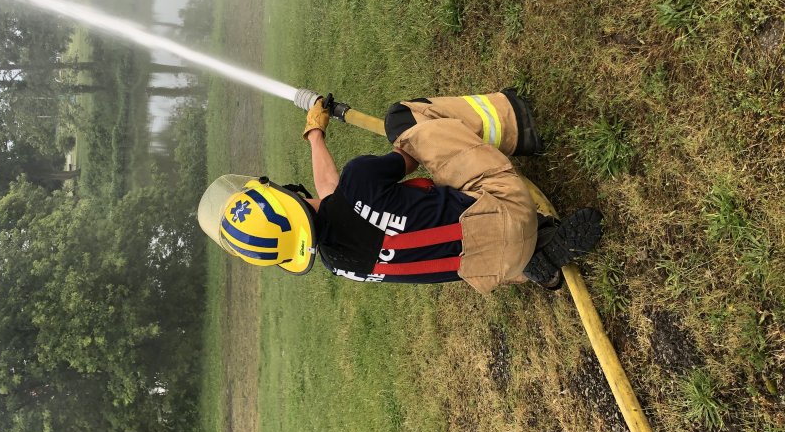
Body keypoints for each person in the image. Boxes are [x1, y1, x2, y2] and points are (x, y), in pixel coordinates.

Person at [197, 90, 603, 294]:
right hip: (507, 209)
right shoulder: (358, 180)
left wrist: (315, 133)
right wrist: (401, 140)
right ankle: (517, 120)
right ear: (285, 194)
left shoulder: (338, 264)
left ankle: (535, 259)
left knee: (446, 242)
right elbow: (408, 155)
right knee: (406, 119)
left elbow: (336, 200)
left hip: (494, 271)